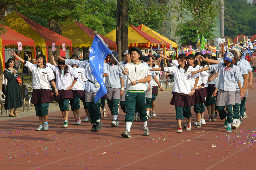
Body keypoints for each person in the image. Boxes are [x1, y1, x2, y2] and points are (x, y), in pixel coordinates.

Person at [192, 52, 242, 132]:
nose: (227, 62)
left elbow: (239, 80)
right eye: (226, 60)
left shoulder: (235, 68)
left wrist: (241, 91)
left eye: (228, 61)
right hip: (222, 90)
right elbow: (209, 67)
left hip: (231, 90)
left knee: (230, 108)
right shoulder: (220, 66)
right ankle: (226, 117)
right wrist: (197, 71)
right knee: (219, 108)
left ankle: (229, 124)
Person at [151, 54, 198, 133]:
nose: (179, 61)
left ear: (184, 60)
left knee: (187, 111)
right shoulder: (175, 68)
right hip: (177, 93)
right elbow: (163, 68)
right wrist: (151, 69)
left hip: (187, 93)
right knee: (178, 110)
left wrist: (193, 89)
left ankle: (189, 122)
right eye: (178, 59)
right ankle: (179, 127)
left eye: (180, 60)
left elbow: (197, 77)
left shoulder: (190, 69)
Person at [60, 57, 109, 132]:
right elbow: (76, 61)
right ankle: (94, 122)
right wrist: (65, 61)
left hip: (97, 86)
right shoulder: (86, 63)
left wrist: (100, 73)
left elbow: (106, 74)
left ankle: (98, 121)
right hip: (88, 86)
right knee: (89, 105)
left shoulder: (101, 64)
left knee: (95, 104)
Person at [13, 52, 58, 131]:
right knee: (38, 108)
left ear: (43, 60)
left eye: (40, 59)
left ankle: (46, 123)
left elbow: (52, 80)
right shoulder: (33, 67)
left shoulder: (48, 69)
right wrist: (16, 56)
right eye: (37, 59)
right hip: (36, 90)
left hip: (45, 90)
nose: (38, 60)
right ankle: (41, 124)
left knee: (44, 107)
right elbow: (24, 61)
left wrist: (56, 89)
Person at [121, 47, 151, 138]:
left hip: (141, 91)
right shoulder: (128, 65)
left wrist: (138, 81)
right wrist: (125, 72)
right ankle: (127, 130)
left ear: (138, 55)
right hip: (130, 91)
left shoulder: (144, 66)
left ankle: (145, 127)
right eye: (131, 54)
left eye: (134, 54)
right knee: (130, 111)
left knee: (142, 111)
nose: (132, 55)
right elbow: (125, 71)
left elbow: (149, 78)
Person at [47, 58, 78, 128]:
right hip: (59, 90)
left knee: (65, 104)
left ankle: (66, 120)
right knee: (61, 106)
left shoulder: (69, 68)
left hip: (67, 90)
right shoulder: (57, 68)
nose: (62, 66)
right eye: (60, 64)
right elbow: (50, 66)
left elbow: (76, 76)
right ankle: (64, 118)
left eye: (63, 64)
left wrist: (71, 86)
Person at [105, 51, 124, 127]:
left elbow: (121, 77)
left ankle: (115, 119)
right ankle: (115, 115)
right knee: (110, 103)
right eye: (110, 57)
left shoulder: (119, 66)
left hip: (116, 87)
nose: (111, 59)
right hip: (108, 87)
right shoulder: (107, 66)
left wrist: (122, 88)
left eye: (112, 57)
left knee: (116, 103)